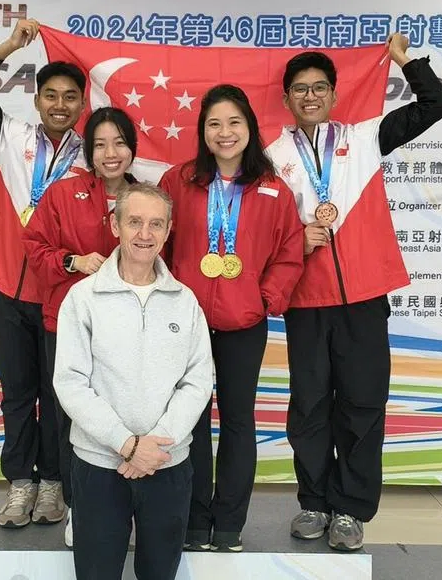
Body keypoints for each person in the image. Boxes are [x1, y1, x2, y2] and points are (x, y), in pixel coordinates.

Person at [266, 32, 442, 551]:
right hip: (305, 300)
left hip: (364, 297)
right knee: (308, 408)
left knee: (363, 405)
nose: (310, 96)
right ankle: (313, 502)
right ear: (286, 99)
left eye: (320, 87)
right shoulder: (271, 156)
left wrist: (406, 61)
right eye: (300, 89)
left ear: (334, 94)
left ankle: (349, 511)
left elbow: (436, 103)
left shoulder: (366, 137)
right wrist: (295, 240)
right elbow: (261, 229)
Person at [0, 18, 85, 529]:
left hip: (61, 293)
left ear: (81, 103)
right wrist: (7, 46)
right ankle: (19, 483)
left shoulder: (91, 158)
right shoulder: (9, 135)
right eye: (51, 94)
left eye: (71, 97)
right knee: (16, 391)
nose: (60, 105)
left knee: (57, 393)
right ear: (37, 99)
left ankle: (52, 482)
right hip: (6, 282)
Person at [159, 85, 304, 553]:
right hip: (187, 324)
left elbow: (288, 252)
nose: (225, 133)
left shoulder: (274, 189)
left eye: (234, 123)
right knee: (191, 420)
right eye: (214, 124)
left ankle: (229, 525)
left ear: (249, 129)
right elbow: (156, 244)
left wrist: (265, 299)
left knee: (239, 422)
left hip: (245, 322)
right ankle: (194, 520)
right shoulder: (177, 181)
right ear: (202, 131)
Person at [53, 183, 213, 580]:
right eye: (135, 222)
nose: (145, 234)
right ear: (115, 225)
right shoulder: (82, 298)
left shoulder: (186, 301)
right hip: (99, 465)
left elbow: (198, 381)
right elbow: (71, 382)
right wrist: (127, 445)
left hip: (167, 464)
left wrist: (155, 446)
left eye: (156, 224)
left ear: (169, 229)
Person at [22, 106, 139, 546]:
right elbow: (34, 248)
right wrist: (73, 261)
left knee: (125, 416)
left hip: (129, 332)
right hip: (69, 325)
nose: (111, 154)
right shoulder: (62, 193)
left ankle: (127, 508)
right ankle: (80, 510)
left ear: (132, 147)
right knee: (72, 421)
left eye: (120, 143)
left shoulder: (144, 196)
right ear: (88, 151)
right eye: (100, 145)